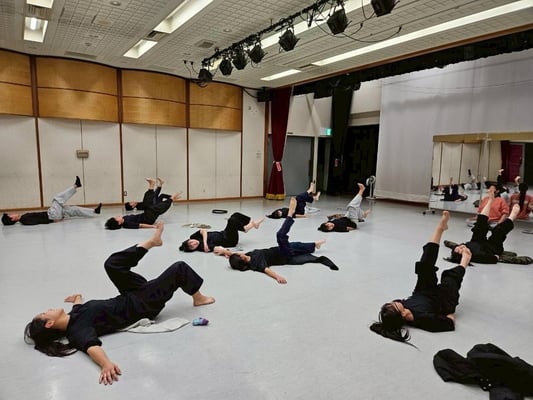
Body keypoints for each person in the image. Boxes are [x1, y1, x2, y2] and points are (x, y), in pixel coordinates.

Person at [24, 222, 215, 385]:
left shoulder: (74, 315)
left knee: (111, 265)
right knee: (179, 268)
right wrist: (105, 364)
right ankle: (198, 298)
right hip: (142, 305)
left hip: (130, 294)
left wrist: (77, 298)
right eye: (45, 313)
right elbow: (91, 347)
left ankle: (152, 242)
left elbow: (78, 305)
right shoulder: (77, 330)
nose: (48, 309)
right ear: (49, 323)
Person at [369, 211, 472, 345]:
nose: (394, 301)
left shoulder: (398, 308)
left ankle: (440, 228)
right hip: (443, 299)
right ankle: (466, 259)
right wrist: (449, 314)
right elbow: (448, 324)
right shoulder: (422, 319)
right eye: (394, 305)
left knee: (424, 266)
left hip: (423, 291)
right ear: (403, 314)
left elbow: (400, 304)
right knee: (449, 276)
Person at [215, 197, 339, 284]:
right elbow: (267, 270)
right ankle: (290, 214)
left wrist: (225, 252)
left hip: (281, 249)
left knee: (296, 244)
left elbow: (233, 254)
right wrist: (278, 277)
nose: (240, 253)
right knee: (280, 235)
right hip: (285, 255)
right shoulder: (255, 264)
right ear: (241, 258)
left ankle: (315, 245)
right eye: (239, 254)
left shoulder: (247, 256)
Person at [446, 191, 521, 264]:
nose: (461, 246)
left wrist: (457, 247)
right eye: (461, 249)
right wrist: (497, 256)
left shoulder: (460, 249)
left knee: (479, 225)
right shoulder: (477, 257)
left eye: (458, 247)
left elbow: (455, 248)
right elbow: (493, 259)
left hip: (476, 241)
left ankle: (490, 201)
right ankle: (512, 216)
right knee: (498, 231)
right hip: (491, 247)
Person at [2, 176, 101, 226]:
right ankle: (76, 186)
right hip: (52, 215)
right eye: (10, 215)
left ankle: (94, 211)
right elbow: (38, 221)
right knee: (57, 198)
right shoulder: (24, 219)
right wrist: (53, 220)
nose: (12, 214)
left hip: (54, 214)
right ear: (12, 219)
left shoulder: (24, 218)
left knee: (74, 209)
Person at [105, 178, 180, 229]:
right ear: (118, 223)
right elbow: (140, 225)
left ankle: (152, 185)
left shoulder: (124, 218)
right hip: (148, 220)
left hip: (145, 215)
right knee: (154, 208)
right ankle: (170, 198)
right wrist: (153, 226)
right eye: (116, 218)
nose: (117, 216)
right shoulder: (127, 224)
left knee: (149, 205)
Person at [179, 212, 265, 252]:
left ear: (189, 240)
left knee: (235, 215)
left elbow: (203, 230)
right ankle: (246, 228)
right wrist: (225, 252)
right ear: (193, 249)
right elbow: (216, 248)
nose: (194, 243)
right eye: (192, 247)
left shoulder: (194, 237)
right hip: (229, 240)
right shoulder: (202, 247)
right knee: (231, 221)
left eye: (191, 242)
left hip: (224, 233)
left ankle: (251, 222)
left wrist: (205, 242)